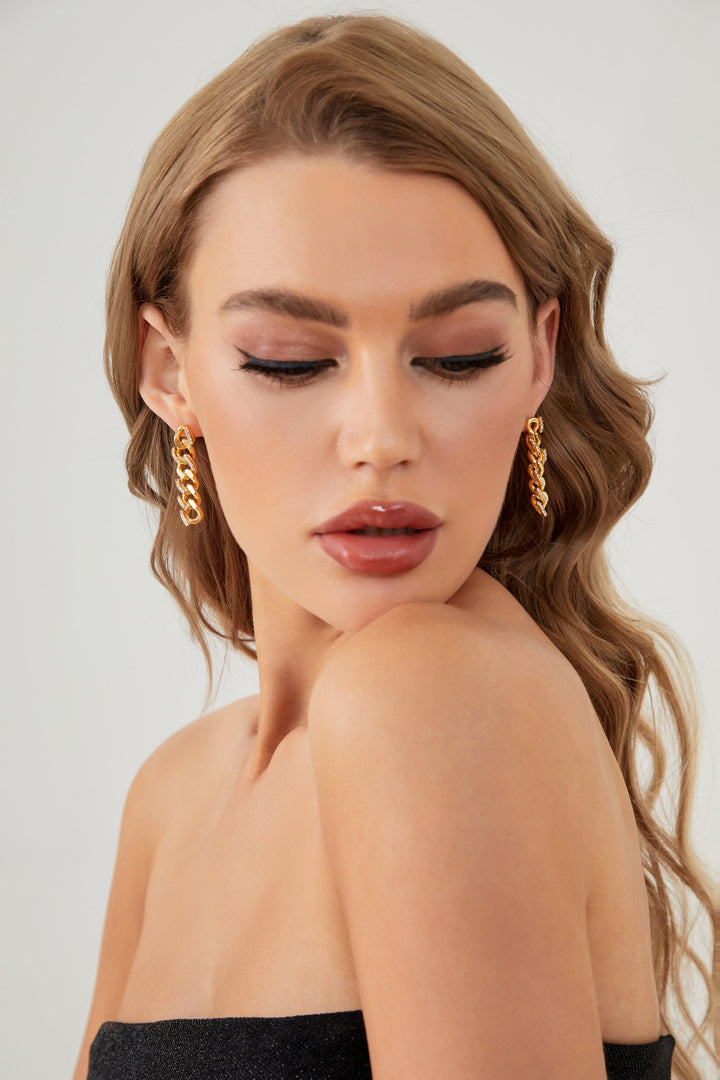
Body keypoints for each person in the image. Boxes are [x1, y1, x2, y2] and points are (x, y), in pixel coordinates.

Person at [72, 12, 717, 1080]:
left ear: (539, 357)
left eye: (458, 356)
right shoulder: (170, 797)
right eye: (289, 360)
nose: (382, 439)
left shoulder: (427, 692)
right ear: (168, 370)